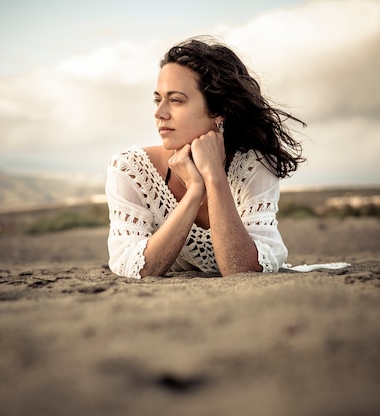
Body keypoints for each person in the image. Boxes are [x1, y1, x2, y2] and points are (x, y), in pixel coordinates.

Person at [105, 37, 305, 279]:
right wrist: (195, 191)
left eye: (176, 100)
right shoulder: (130, 169)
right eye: (158, 99)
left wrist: (214, 176)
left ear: (218, 110)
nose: (159, 113)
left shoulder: (254, 165)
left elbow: (241, 269)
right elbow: (141, 268)